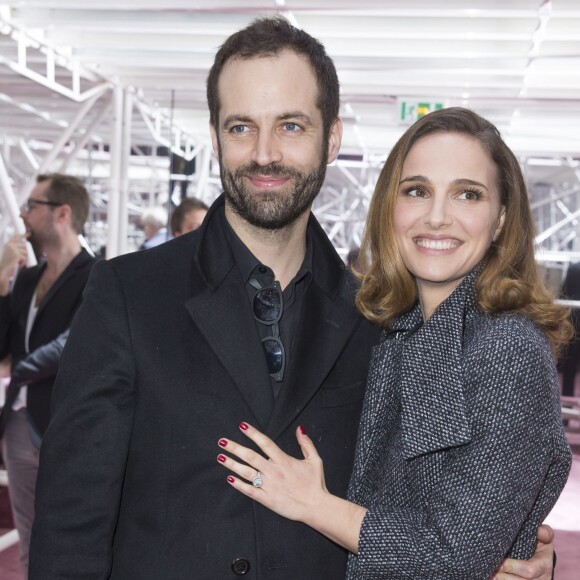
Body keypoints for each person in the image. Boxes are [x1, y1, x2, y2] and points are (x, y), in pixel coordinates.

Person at [29, 19, 553, 580]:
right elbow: (70, 525)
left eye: (291, 126)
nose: (264, 153)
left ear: (332, 137)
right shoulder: (127, 294)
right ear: (215, 137)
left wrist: (509, 552)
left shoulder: (379, 318)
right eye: (241, 128)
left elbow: (433, 501)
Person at [217, 107, 572, 579]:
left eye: (468, 194)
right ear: (391, 206)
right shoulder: (389, 329)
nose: (438, 217)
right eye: (417, 191)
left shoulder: (506, 347)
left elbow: (452, 557)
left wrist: (312, 504)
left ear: (502, 218)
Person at [0, 173, 94, 578]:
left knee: (73, 539)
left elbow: (73, 347)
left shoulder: (98, 276)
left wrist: (17, 371)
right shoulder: (23, 278)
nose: (23, 214)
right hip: (19, 425)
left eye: (32, 206)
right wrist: (0, 282)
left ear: (62, 213)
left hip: (66, 425)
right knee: (29, 538)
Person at [559, 262, 580, 397]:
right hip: (574, 321)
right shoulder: (573, 268)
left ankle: (567, 398)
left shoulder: (573, 268)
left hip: (573, 321)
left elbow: (563, 294)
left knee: (570, 367)